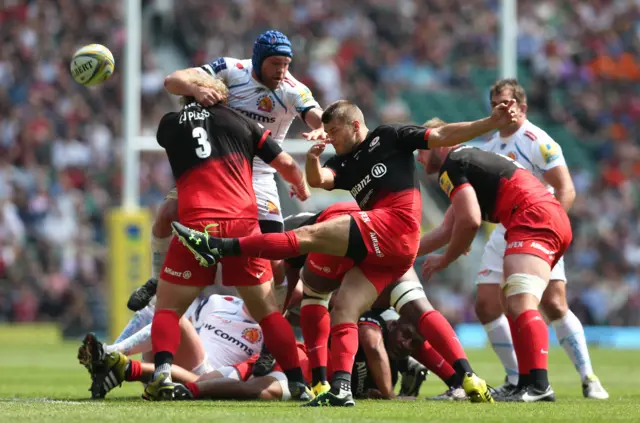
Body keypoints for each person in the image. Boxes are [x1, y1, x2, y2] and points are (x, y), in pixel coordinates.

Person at [171, 99, 518, 406]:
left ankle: (219, 247)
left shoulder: (390, 136)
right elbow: (319, 180)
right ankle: (344, 388)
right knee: (345, 309)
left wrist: (490, 123)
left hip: (394, 224)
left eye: (334, 132)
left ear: (355, 124)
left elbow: (441, 136)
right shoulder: (345, 161)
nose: (331, 138)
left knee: (306, 236)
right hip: (389, 252)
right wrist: (312, 158)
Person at [126, 28, 324, 378]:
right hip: (224, 161)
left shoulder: (294, 88)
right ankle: (158, 279)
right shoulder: (230, 69)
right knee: (166, 215)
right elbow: (175, 79)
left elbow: (314, 113)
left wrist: (320, 129)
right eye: (275, 63)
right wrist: (197, 88)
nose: (281, 70)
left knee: (275, 260)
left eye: (286, 63)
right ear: (259, 60)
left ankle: (267, 341)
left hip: (261, 173)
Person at [470, 79, 608, 400]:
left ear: (522, 107)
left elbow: (566, 189)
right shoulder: (489, 147)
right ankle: (518, 378)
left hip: (537, 227)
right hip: (505, 230)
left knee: (553, 303)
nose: (502, 109)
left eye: (507, 103)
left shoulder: (537, 141)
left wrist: (548, 227)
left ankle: (589, 378)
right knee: (488, 305)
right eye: (495, 104)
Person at [417, 124, 574, 402]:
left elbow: (469, 222)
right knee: (509, 301)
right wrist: (395, 253)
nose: (418, 157)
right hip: (537, 216)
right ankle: (524, 383)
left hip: (532, 217)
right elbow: (446, 230)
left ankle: (539, 386)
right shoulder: (468, 162)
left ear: (440, 145)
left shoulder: (454, 164)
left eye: (421, 150)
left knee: (521, 300)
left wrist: (447, 257)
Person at [280, 205, 482, 401]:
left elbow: (371, 340)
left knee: (327, 308)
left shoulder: (311, 238)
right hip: (382, 258)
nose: (406, 343)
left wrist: (389, 396)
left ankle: (326, 383)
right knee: (410, 319)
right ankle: (462, 378)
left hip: (368, 271)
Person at [169, 308, 426, 402]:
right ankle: (186, 389)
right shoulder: (373, 325)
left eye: (413, 343)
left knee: (199, 381)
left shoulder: (389, 371)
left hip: (292, 355)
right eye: (406, 334)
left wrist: (374, 393)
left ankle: (138, 371)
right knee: (249, 390)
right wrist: (392, 396)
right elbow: (371, 345)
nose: (406, 344)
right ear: (392, 325)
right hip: (303, 365)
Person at [77, 295, 264, 399]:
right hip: (168, 365)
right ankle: (108, 357)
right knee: (158, 308)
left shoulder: (271, 331)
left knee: (174, 317)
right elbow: (187, 334)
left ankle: (109, 355)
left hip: (208, 377)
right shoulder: (218, 302)